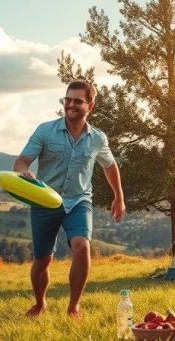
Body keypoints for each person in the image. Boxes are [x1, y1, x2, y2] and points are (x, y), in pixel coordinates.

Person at [13, 79, 125, 320]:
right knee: (43, 259)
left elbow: (110, 165)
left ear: (90, 106)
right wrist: (25, 172)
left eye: (77, 101)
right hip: (45, 199)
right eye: (67, 100)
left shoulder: (97, 138)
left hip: (78, 201)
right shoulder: (45, 130)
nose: (70, 105)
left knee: (82, 246)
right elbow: (22, 161)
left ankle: (74, 306)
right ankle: (40, 303)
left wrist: (119, 196)